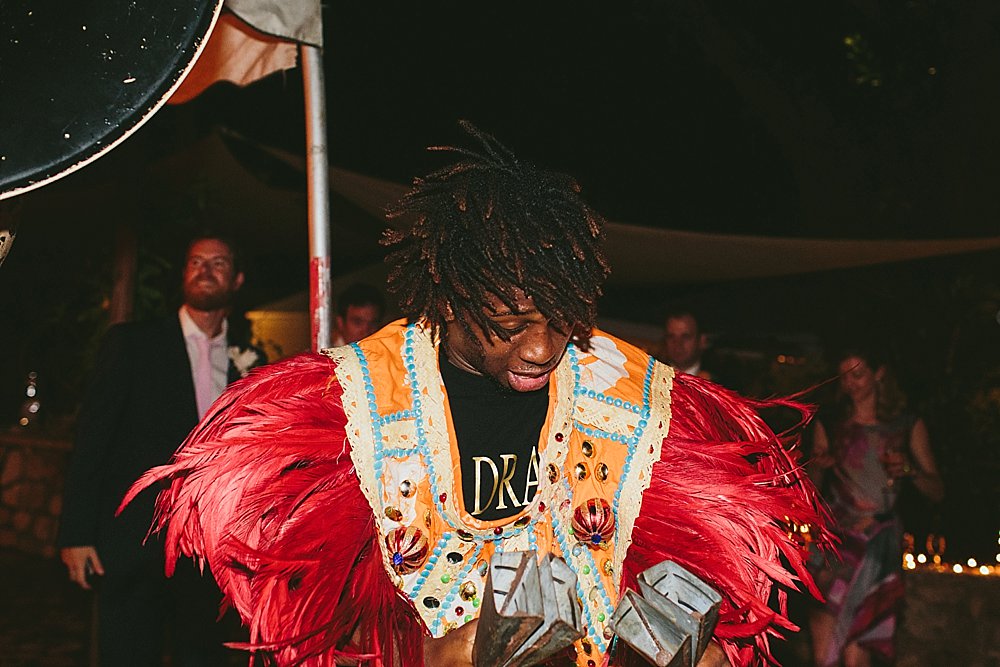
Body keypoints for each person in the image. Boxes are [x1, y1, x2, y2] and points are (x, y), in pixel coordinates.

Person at [124, 124, 828, 667]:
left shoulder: (626, 394)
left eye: (561, 321)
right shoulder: (354, 406)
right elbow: (330, 634)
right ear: (451, 297)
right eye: (513, 325)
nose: (541, 350)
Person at [57, 233, 266, 666]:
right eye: (195, 261)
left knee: (203, 657)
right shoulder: (133, 343)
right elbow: (92, 440)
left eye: (218, 262)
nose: (205, 269)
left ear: (238, 278)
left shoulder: (252, 360)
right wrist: (76, 534)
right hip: (135, 542)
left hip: (211, 555)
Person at [807, 348, 944, 667]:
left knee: (858, 651)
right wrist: (818, 466)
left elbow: (937, 490)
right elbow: (809, 491)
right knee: (822, 651)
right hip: (834, 542)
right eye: (845, 377)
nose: (851, 384)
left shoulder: (906, 424)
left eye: (859, 375)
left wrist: (909, 470)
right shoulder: (830, 421)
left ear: (879, 374)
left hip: (876, 546)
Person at [661, 308, 713, 380]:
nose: (677, 344)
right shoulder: (650, 381)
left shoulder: (720, 384)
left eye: (685, 337)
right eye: (671, 337)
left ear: (702, 341)